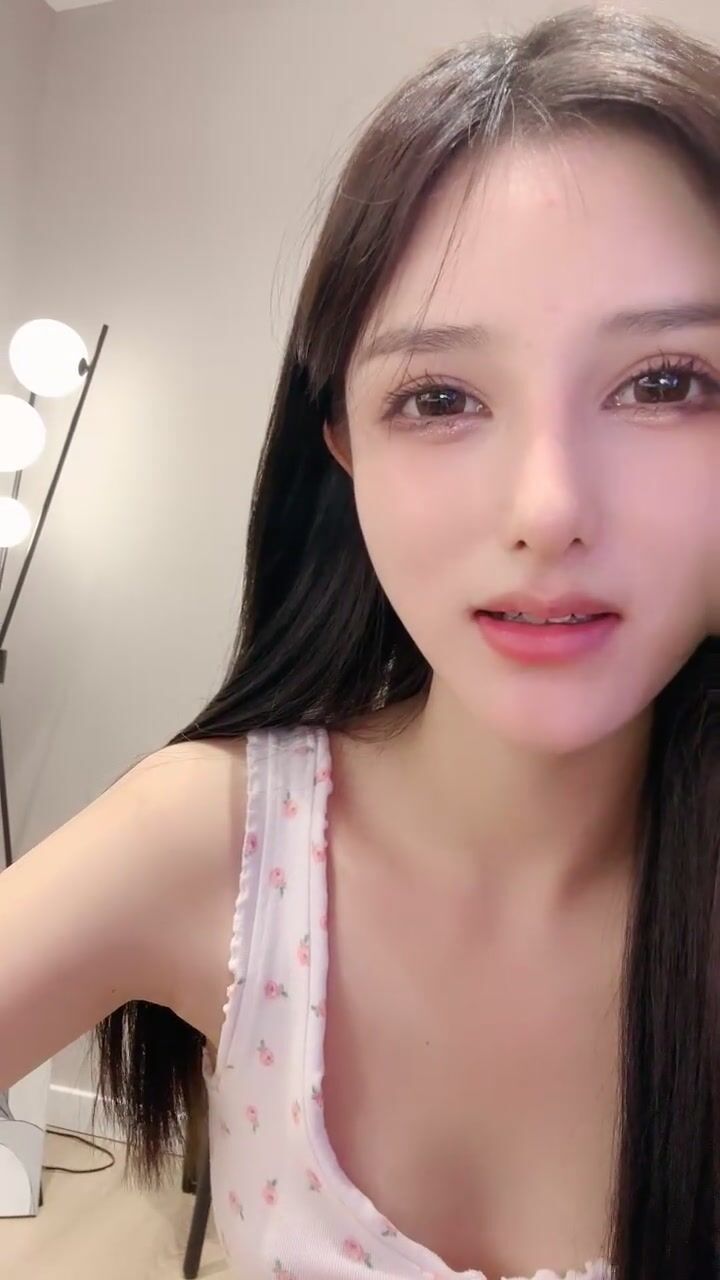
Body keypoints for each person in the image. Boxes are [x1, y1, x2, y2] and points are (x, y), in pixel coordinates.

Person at [1, 4, 719, 1278]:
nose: (548, 507)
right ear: (342, 445)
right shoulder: (227, 843)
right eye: (439, 397)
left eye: (666, 382)